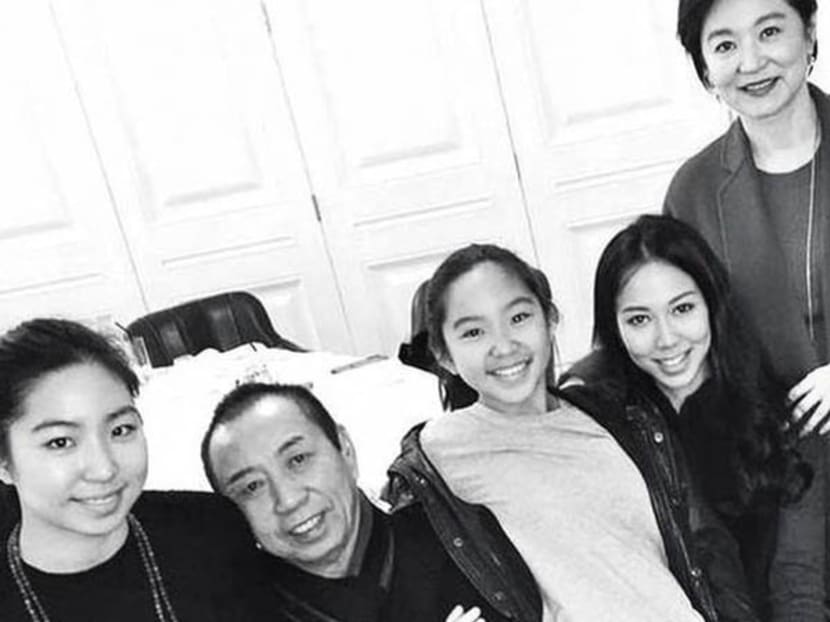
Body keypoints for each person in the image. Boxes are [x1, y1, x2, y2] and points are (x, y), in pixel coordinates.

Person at [385, 243, 750, 622]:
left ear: (550, 320)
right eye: (474, 332)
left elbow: (707, 548)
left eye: (519, 317)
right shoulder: (436, 457)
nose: (504, 346)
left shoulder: (621, 417)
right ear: (444, 354)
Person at [561, 214, 812, 620]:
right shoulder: (608, 427)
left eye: (682, 309)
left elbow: (800, 583)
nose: (666, 339)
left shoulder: (786, 413)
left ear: (712, 304)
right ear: (615, 328)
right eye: (639, 319)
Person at [667, 0, 829, 617]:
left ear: (809, 33)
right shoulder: (694, 190)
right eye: (726, 44)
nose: (751, 61)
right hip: (781, 456)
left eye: (770, 31)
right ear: (705, 66)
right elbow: (667, 322)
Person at [0, 318, 261, 622]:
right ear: (4, 460)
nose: (104, 469)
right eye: (60, 442)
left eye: (121, 430)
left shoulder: (213, 532)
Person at [201, 381, 496, 622]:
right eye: (252, 487)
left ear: (345, 449)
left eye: (298, 459)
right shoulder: (239, 610)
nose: (288, 501)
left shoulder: (461, 540)